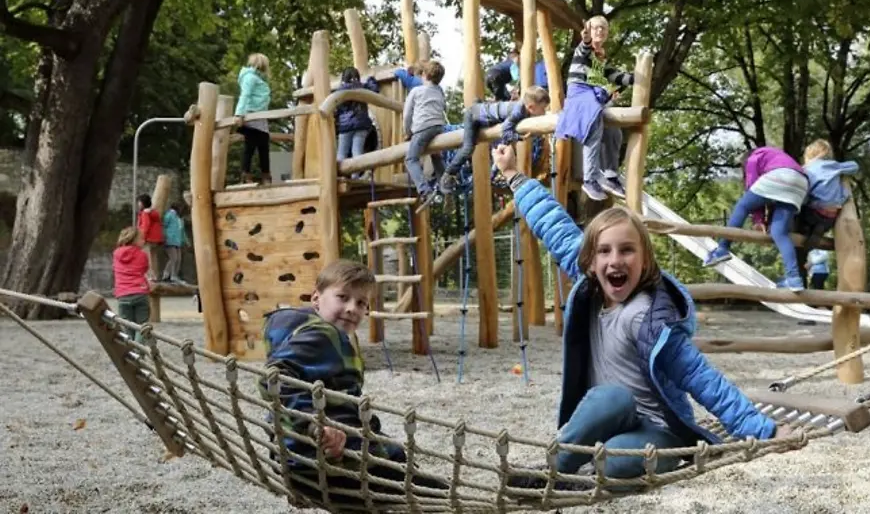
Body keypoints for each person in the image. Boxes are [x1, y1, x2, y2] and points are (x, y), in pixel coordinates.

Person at [489, 144, 786, 487]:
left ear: (644, 261)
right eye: (604, 251)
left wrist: (765, 430)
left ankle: (576, 473)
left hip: (660, 432)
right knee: (611, 398)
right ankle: (554, 470)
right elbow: (551, 223)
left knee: (614, 461)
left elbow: (705, 381)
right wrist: (513, 175)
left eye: (627, 250)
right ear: (589, 261)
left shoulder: (650, 319)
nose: (615, 260)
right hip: (611, 419)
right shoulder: (590, 287)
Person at [258, 260, 445, 506]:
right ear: (316, 298)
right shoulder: (322, 335)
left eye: (361, 303)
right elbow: (273, 378)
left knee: (400, 464)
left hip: (295, 460)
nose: (351, 308)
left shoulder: (304, 332)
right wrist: (316, 424)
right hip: (324, 463)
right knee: (424, 490)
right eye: (342, 297)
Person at [703, 147, 809, 291]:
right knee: (779, 232)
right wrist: (760, 221)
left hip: (780, 176)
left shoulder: (753, 157)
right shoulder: (775, 156)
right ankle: (794, 279)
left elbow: (752, 188)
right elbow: (760, 197)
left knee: (742, 206)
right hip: (801, 183)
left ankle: (722, 248)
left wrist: (757, 220)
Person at [555, 16, 632, 201]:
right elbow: (585, 46)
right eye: (597, 28)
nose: (600, 31)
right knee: (595, 126)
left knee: (615, 132)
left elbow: (621, 78)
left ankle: (610, 174)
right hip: (581, 96)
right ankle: (590, 178)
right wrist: (587, 39)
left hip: (595, 99)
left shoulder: (601, 64)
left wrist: (642, 76)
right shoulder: (582, 53)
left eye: (604, 29)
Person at [437, 86, 551, 194]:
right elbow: (505, 131)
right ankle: (448, 175)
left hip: (483, 117)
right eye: (543, 109)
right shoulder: (518, 111)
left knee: (499, 148)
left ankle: (491, 175)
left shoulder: (524, 109)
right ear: (531, 107)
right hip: (473, 117)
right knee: (468, 148)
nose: (544, 112)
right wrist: (520, 137)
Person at [798, 139, 859, 248]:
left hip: (814, 211)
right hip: (832, 214)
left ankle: (806, 229)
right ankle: (819, 228)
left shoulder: (806, 169)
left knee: (800, 208)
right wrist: (841, 169)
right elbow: (854, 166)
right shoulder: (833, 165)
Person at [402, 60, 447, 203]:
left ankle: (424, 190)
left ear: (425, 75)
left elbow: (407, 115)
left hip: (422, 128)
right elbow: (444, 108)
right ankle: (446, 188)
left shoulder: (416, 91)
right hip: (439, 127)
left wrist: (408, 132)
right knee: (436, 156)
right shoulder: (439, 91)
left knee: (411, 159)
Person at [234, 53, 273, 185]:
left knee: (263, 145)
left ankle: (265, 174)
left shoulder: (258, 79)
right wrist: (239, 114)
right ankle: (246, 174)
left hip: (260, 117)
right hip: (251, 115)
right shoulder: (250, 77)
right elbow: (245, 95)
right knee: (250, 145)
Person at [335, 67, 380, 178]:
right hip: (361, 125)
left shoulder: (340, 90)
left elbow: (337, 109)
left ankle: (340, 176)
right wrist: (371, 78)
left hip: (345, 126)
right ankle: (356, 177)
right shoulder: (362, 87)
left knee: (342, 153)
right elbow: (374, 89)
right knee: (357, 152)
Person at [113, 227, 151, 343]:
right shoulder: (142, 255)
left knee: (127, 327)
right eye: (141, 239)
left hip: (123, 294)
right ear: (134, 240)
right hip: (140, 292)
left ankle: (130, 352)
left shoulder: (116, 254)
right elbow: (144, 269)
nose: (144, 241)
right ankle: (138, 352)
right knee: (141, 326)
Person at [136, 194, 164, 280]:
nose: (138, 204)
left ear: (142, 203)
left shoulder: (145, 213)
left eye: (139, 202)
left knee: (147, 258)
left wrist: (142, 238)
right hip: (156, 238)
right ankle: (155, 275)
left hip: (148, 238)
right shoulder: (154, 213)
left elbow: (145, 226)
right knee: (154, 257)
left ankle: (149, 276)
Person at [161, 203, 186, 283]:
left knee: (178, 259)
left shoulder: (179, 218)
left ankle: (174, 275)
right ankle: (167, 275)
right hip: (170, 239)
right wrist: (164, 237)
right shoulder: (170, 215)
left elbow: (181, 231)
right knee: (173, 258)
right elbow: (164, 225)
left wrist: (185, 241)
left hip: (177, 241)